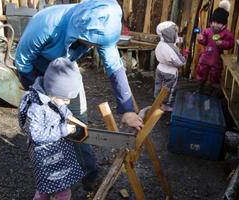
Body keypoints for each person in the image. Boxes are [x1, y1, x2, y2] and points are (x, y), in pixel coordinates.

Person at [15, 0, 144, 191]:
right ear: (80, 31)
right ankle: (51, 174)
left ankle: (90, 175)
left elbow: (115, 68)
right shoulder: (45, 25)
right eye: (92, 43)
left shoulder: (101, 27)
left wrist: (127, 110)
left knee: (77, 123)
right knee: (46, 123)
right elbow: (22, 60)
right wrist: (40, 96)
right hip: (38, 72)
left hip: (65, 71)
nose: (94, 47)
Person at [18, 57, 84, 200]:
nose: (67, 103)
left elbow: (63, 111)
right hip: (45, 157)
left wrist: (70, 119)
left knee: (51, 188)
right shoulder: (37, 108)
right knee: (54, 191)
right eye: (65, 99)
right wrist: (63, 130)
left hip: (57, 154)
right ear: (53, 92)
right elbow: (36, 134)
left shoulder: (55, 100)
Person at [196, 0, 234, 94]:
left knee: (215, 74)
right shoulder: (207, 31)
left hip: (216, 58)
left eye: (218, 23)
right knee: (202, 71)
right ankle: (200, 87)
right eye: (214, 22)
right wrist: (201, 39)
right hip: (205, 57)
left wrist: (222, 43)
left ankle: (213, 90)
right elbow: (204, 42)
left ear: (224, 24)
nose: (215, 24)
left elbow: (231, 44)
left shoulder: (226, 34)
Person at [154, 21, 186, 112]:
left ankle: (157, 102)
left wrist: (179, 40)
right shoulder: (171, 48)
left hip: (160, 68)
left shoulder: (161, 43)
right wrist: (183, 60)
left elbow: (173, 41)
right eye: (175, 32)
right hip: (170, 72)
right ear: (170, 33)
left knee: (159, 86)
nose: (176, 34)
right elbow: (179, 62)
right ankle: (165, 105)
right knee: (167, 89)